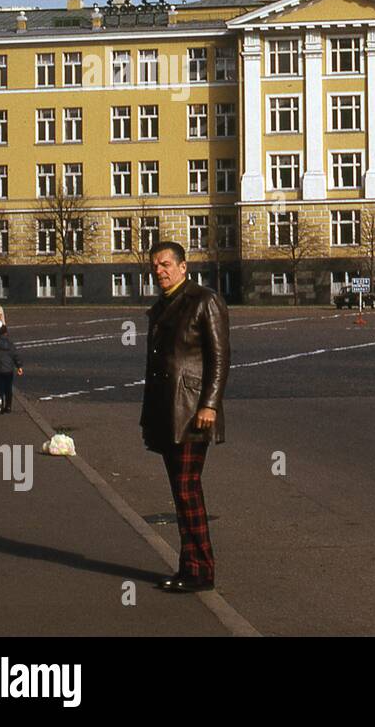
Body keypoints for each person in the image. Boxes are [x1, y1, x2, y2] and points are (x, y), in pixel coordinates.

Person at [141, 241, 230, 594]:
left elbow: (220, 358)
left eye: (165, 264)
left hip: (193, 412)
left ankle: (200, 570)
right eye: (155, 266)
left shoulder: (204, 301)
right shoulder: (161, 306)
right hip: (166, 411)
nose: (159, 271)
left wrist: (209, 404)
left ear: (183, 266)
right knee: (181, 492)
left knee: (187, 488)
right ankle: (189, 565)